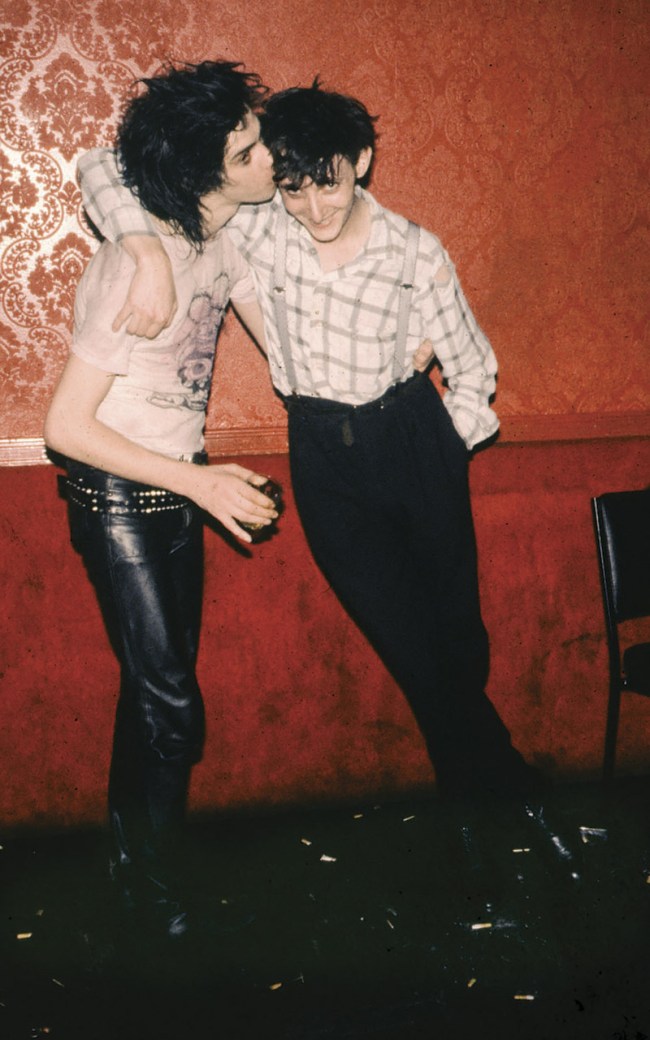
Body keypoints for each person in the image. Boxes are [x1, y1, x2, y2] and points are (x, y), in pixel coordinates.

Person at [77, 82, 581, 896]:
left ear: (364, 164)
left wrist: (440, 445)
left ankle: (500, 797)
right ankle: (493, 808)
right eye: (295, 185)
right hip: (323, 456)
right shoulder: (259, 227)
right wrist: (139, 250)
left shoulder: (414, 248)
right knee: (416, 649)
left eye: (332, 182)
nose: (312, 206)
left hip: (413, 438)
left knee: (457, 644)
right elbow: (103, 165)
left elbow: (473, 367)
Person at [44, 60, 282, 942]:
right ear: (204, 170)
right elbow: (65, 425)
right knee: (172, 707)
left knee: (153, 699)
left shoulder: (222, 242)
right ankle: (150, 891)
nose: (266, 157)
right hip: (120, 496)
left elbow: (284, 339)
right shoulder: (132, 264)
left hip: (178, 491)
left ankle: (135, 868)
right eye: (248, 148)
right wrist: (200, 481)